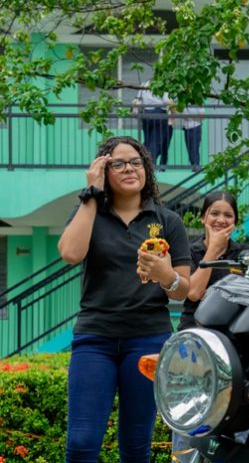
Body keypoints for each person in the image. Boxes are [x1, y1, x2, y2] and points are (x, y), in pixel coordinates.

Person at [58, 136, 191, 463]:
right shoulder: (89, 213)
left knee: (135, 446)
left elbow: (182, 290)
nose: (129, 168)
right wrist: (91, 194)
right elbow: (71, 254)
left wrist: (165, 274)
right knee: (81, 443)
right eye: (118, 163)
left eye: (136, 161)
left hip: (148, 339)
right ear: (104, 170)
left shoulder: (167, 221)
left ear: (146, 168)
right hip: (95, 338)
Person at [171, 190, 249, 463]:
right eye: (214, 213)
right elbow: (193, 293)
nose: (220, 219)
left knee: (231, 422)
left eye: (228, 215)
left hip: (232, 348)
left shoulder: (244, 254)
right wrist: (214, 250)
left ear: (236, 221)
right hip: (193, 347)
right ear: (204, 217)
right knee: (190, 416)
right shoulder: (188, 251)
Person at [136, 81, 173, 167]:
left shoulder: (144, 84)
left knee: (148, 141)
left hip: (146, 114)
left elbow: (138, 100)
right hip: (159, 113)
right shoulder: (162, 84)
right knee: (156, 141)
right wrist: (174, 115)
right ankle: (151, 165)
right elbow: (168, 101)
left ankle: (145, 163)